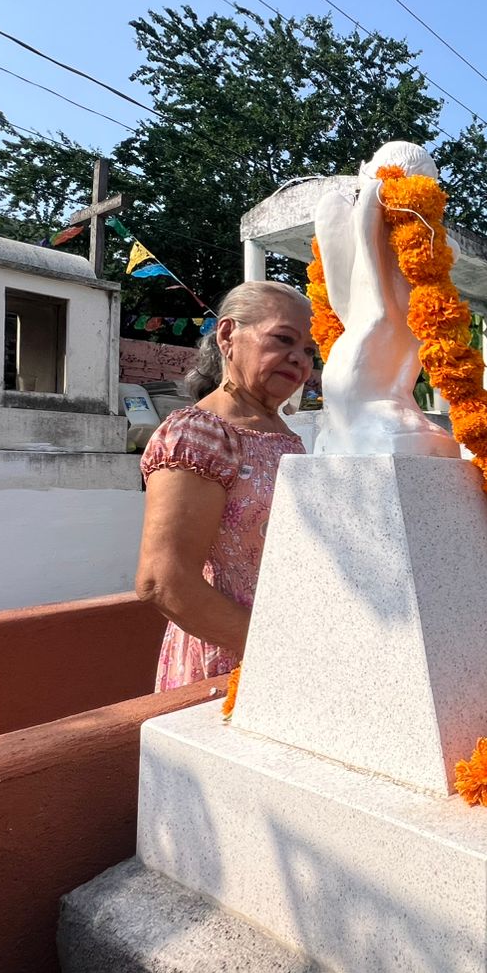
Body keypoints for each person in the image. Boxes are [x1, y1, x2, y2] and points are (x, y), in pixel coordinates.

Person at [135, 281, 315, 691]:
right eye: (283, 339)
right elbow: (163, 581)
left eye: (308, 351)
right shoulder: (198, 435)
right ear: (228, 335)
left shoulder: (290, 438)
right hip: (231, 657)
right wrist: (279, 654)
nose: (299, 361)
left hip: (292, 652)